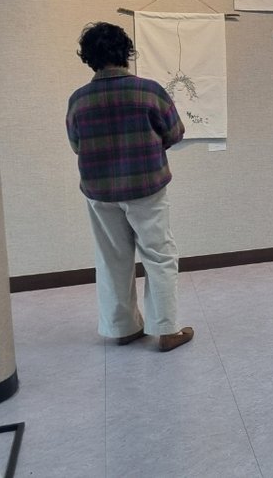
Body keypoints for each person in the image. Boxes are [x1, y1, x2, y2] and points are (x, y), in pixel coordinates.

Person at [66, 22, 194, 352]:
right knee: (159, 255)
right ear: (126, 52)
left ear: (88, 58)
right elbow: (175, 133)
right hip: (147, 186)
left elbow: (77, 145)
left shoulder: (78, 100)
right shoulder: (149, 91)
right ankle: (166, 330)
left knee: (112, 258)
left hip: (99, 191)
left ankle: (122, 329)